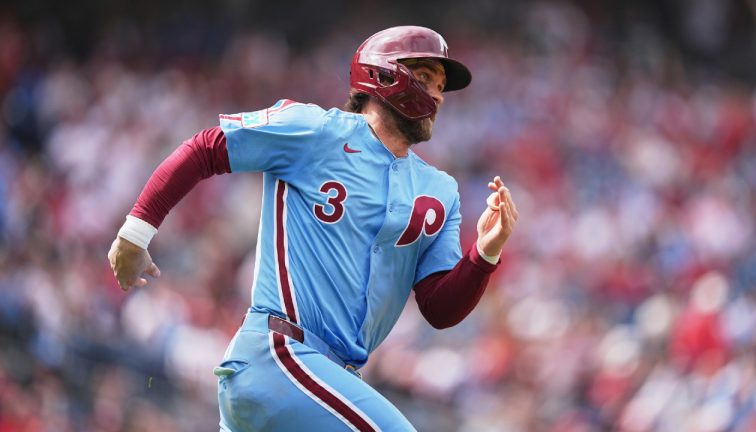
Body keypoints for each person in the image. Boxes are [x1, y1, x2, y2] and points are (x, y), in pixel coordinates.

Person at [108, 25, 518, 432]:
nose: (437, 95)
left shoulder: (440, 191)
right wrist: (136, 231)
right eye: (427, 77)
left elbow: (439, 308)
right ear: (383, 74)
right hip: (279, 355)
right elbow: (207, 148)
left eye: (442, 86)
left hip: (326, 384)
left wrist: (484, 254)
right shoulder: (316, 130)